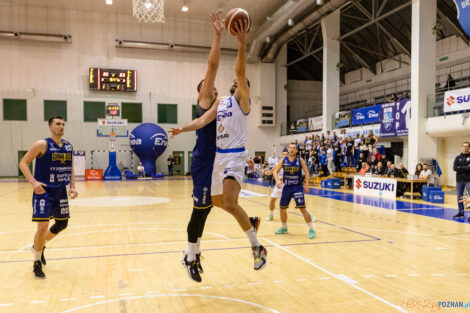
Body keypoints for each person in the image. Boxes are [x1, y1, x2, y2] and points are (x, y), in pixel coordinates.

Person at [169, 18, 267, 272]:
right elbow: (202, 120)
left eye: (239, 84)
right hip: (212, 160)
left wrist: (242, 42)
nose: (216, 85)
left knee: (229, 204)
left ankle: (256, 247)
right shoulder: (217, 102)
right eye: (208, 85)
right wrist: (183, 128)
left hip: (230, 157)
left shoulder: (239, 100)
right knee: (213, 204)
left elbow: (239, 73)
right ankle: (196, 251)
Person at [19, 116, 78, 279]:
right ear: (50, 127)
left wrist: (72, 186)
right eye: (58, 124)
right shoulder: (41, 144)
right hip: (43, 192)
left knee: (62, 223)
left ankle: (39, 246)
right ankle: (37, 262)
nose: (61, 126)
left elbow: (70, 167)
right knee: (42, 227)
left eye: (63, 124)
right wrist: (33, 181)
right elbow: (23, 163)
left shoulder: (68, 146)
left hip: (60, 191)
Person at [272, 143, 316, 239]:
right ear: (288, 149)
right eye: (290, 148)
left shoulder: (300, 160)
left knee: (302, 208)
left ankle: (311, 229)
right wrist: (277, 181)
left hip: (297, 187)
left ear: (297, 150)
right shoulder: (284, 160)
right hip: (287, 187)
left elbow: (307, 173)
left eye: (294, 148)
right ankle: (284, 228)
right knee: (282, 208)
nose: (292, 149)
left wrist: (307, 184)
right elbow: (275, 171)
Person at [453, 142, 470, 220]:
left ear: (469, 147)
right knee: (459, 197)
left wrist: (460, 167)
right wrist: (465, 167)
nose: (465, 147)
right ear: (461, 147)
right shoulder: (457, 157)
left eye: (466, 146)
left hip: (468, 180)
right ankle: (461, 212)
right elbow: (455, 168)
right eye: (463, 146)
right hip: (459, 180)